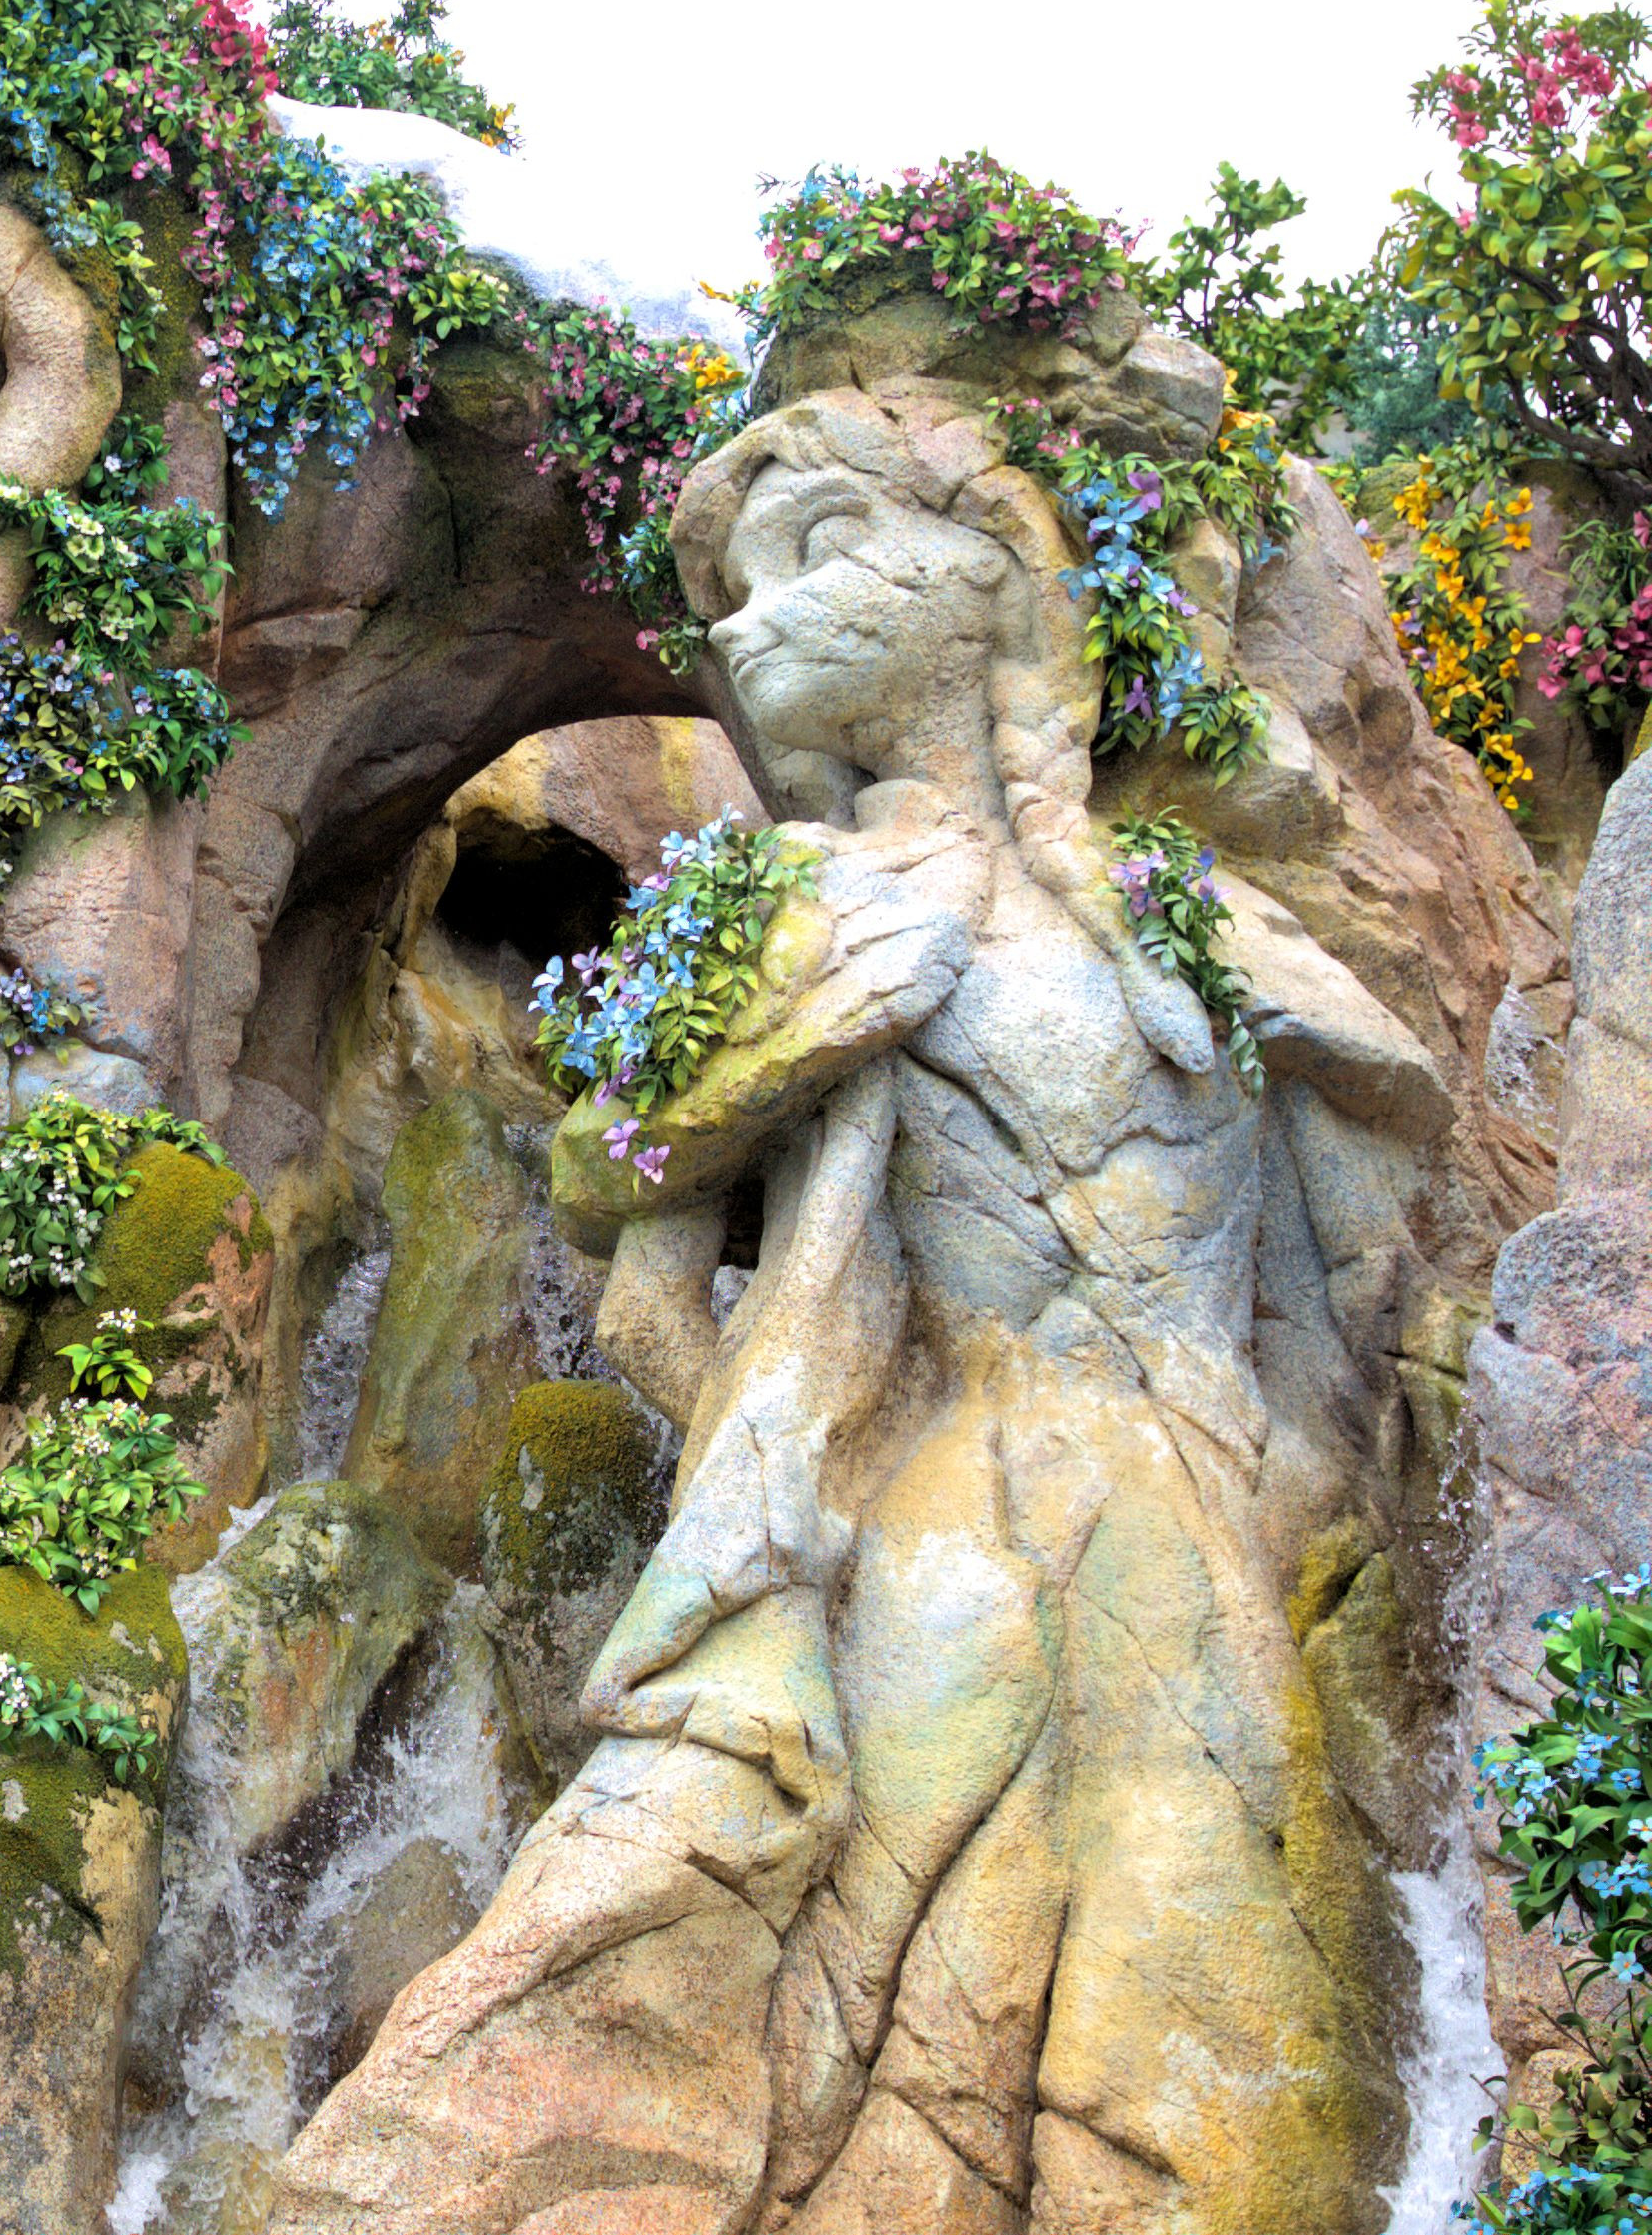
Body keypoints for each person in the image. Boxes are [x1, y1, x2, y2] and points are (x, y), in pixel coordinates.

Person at [275, 384, 1453, 2233]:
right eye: (734, 595)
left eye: (817, 554)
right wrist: (779, 1501)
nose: (753, 628)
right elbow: (637, 1272)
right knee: (793, 2011)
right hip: (921, 1546)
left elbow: (1353, 1264)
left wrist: (1295, 1481)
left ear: (996, 575)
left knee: (1199, 2079)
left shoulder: (1194, 921)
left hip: (1221, 1540)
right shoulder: (791, 910)